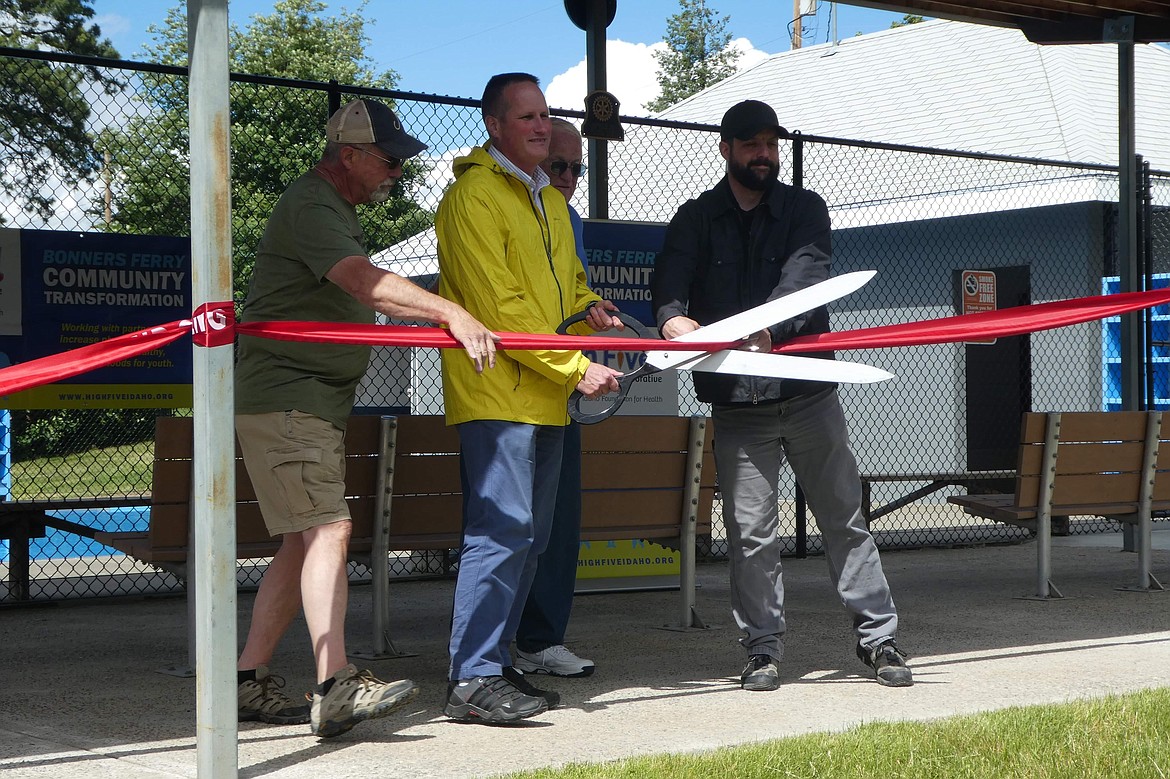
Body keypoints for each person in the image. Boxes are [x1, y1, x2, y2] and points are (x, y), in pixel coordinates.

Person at [234, 98, 500, 738]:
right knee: (330, 530)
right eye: (387, 161)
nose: (396, 174)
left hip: (304, 398)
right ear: (348, 155)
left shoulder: (331, 209)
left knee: (302, 542)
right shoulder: (313, 204)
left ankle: (249, 682)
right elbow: (362, 281)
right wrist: (451, 313)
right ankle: (336, 684)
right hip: (288, 398)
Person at [650, 99, 913, 691]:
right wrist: (673, 323)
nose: (763, 155)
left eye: (770, 144)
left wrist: (768, 329)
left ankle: (880, 639)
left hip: (808, 391)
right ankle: (762, 650)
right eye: (751, 145)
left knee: (844, 518)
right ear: (726, 149)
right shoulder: (694, 218)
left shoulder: (804, 209)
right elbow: (669, 287)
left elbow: (807, 277)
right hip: (737, 402)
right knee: (751, 534)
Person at [435, 73, 623, 724]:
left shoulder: (544, 198)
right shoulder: (473, 197)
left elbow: (563, 284)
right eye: (527, 117)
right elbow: (498, 306)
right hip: (499, 392)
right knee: (501, 533)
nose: (543, 126)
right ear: (494, 126)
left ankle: (496, 661)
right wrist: (575, 367)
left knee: (530, 537)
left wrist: (588, 307)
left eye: (546, 114)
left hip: (542, 391)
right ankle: (471, 678)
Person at [513, 117, 596, 679]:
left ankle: (541, 639)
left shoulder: (567, 219)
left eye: (576, 168)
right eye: (557, 165)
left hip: (560, 388)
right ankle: (491, 654)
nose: (567, 177)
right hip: (511, 393)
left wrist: (598, 313)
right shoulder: (496, 204)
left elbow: (573, 295)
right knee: (511, 528)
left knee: (556, 523)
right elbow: (504, 309)